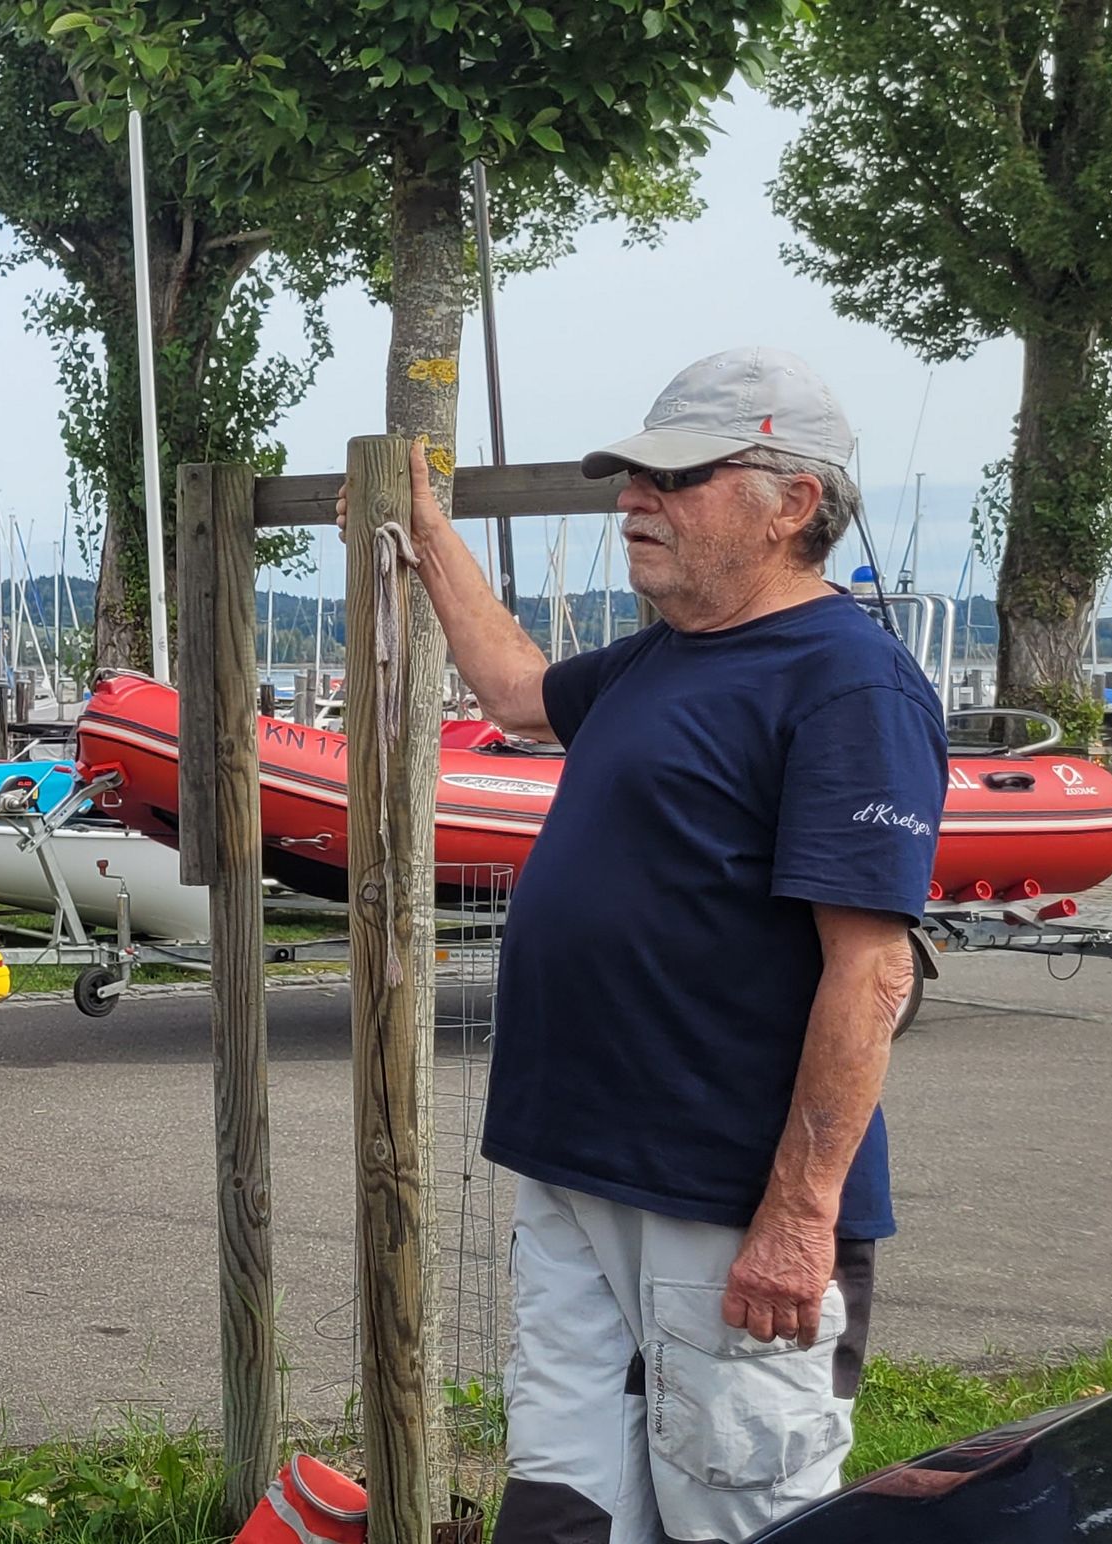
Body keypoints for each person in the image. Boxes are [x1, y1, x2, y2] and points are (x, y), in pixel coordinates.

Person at [352, 347, 940, 1544]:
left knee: (737, 1510)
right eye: (633, 476)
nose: (633, 498)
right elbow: (517, 691)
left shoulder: (849, 685)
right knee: (566, 1503)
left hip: (719, 1198)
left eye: (674, 477)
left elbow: (870, 968)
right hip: (575, 1167)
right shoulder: (664, 654)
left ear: (791, 503)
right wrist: (428, 535)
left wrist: (797, 1218)